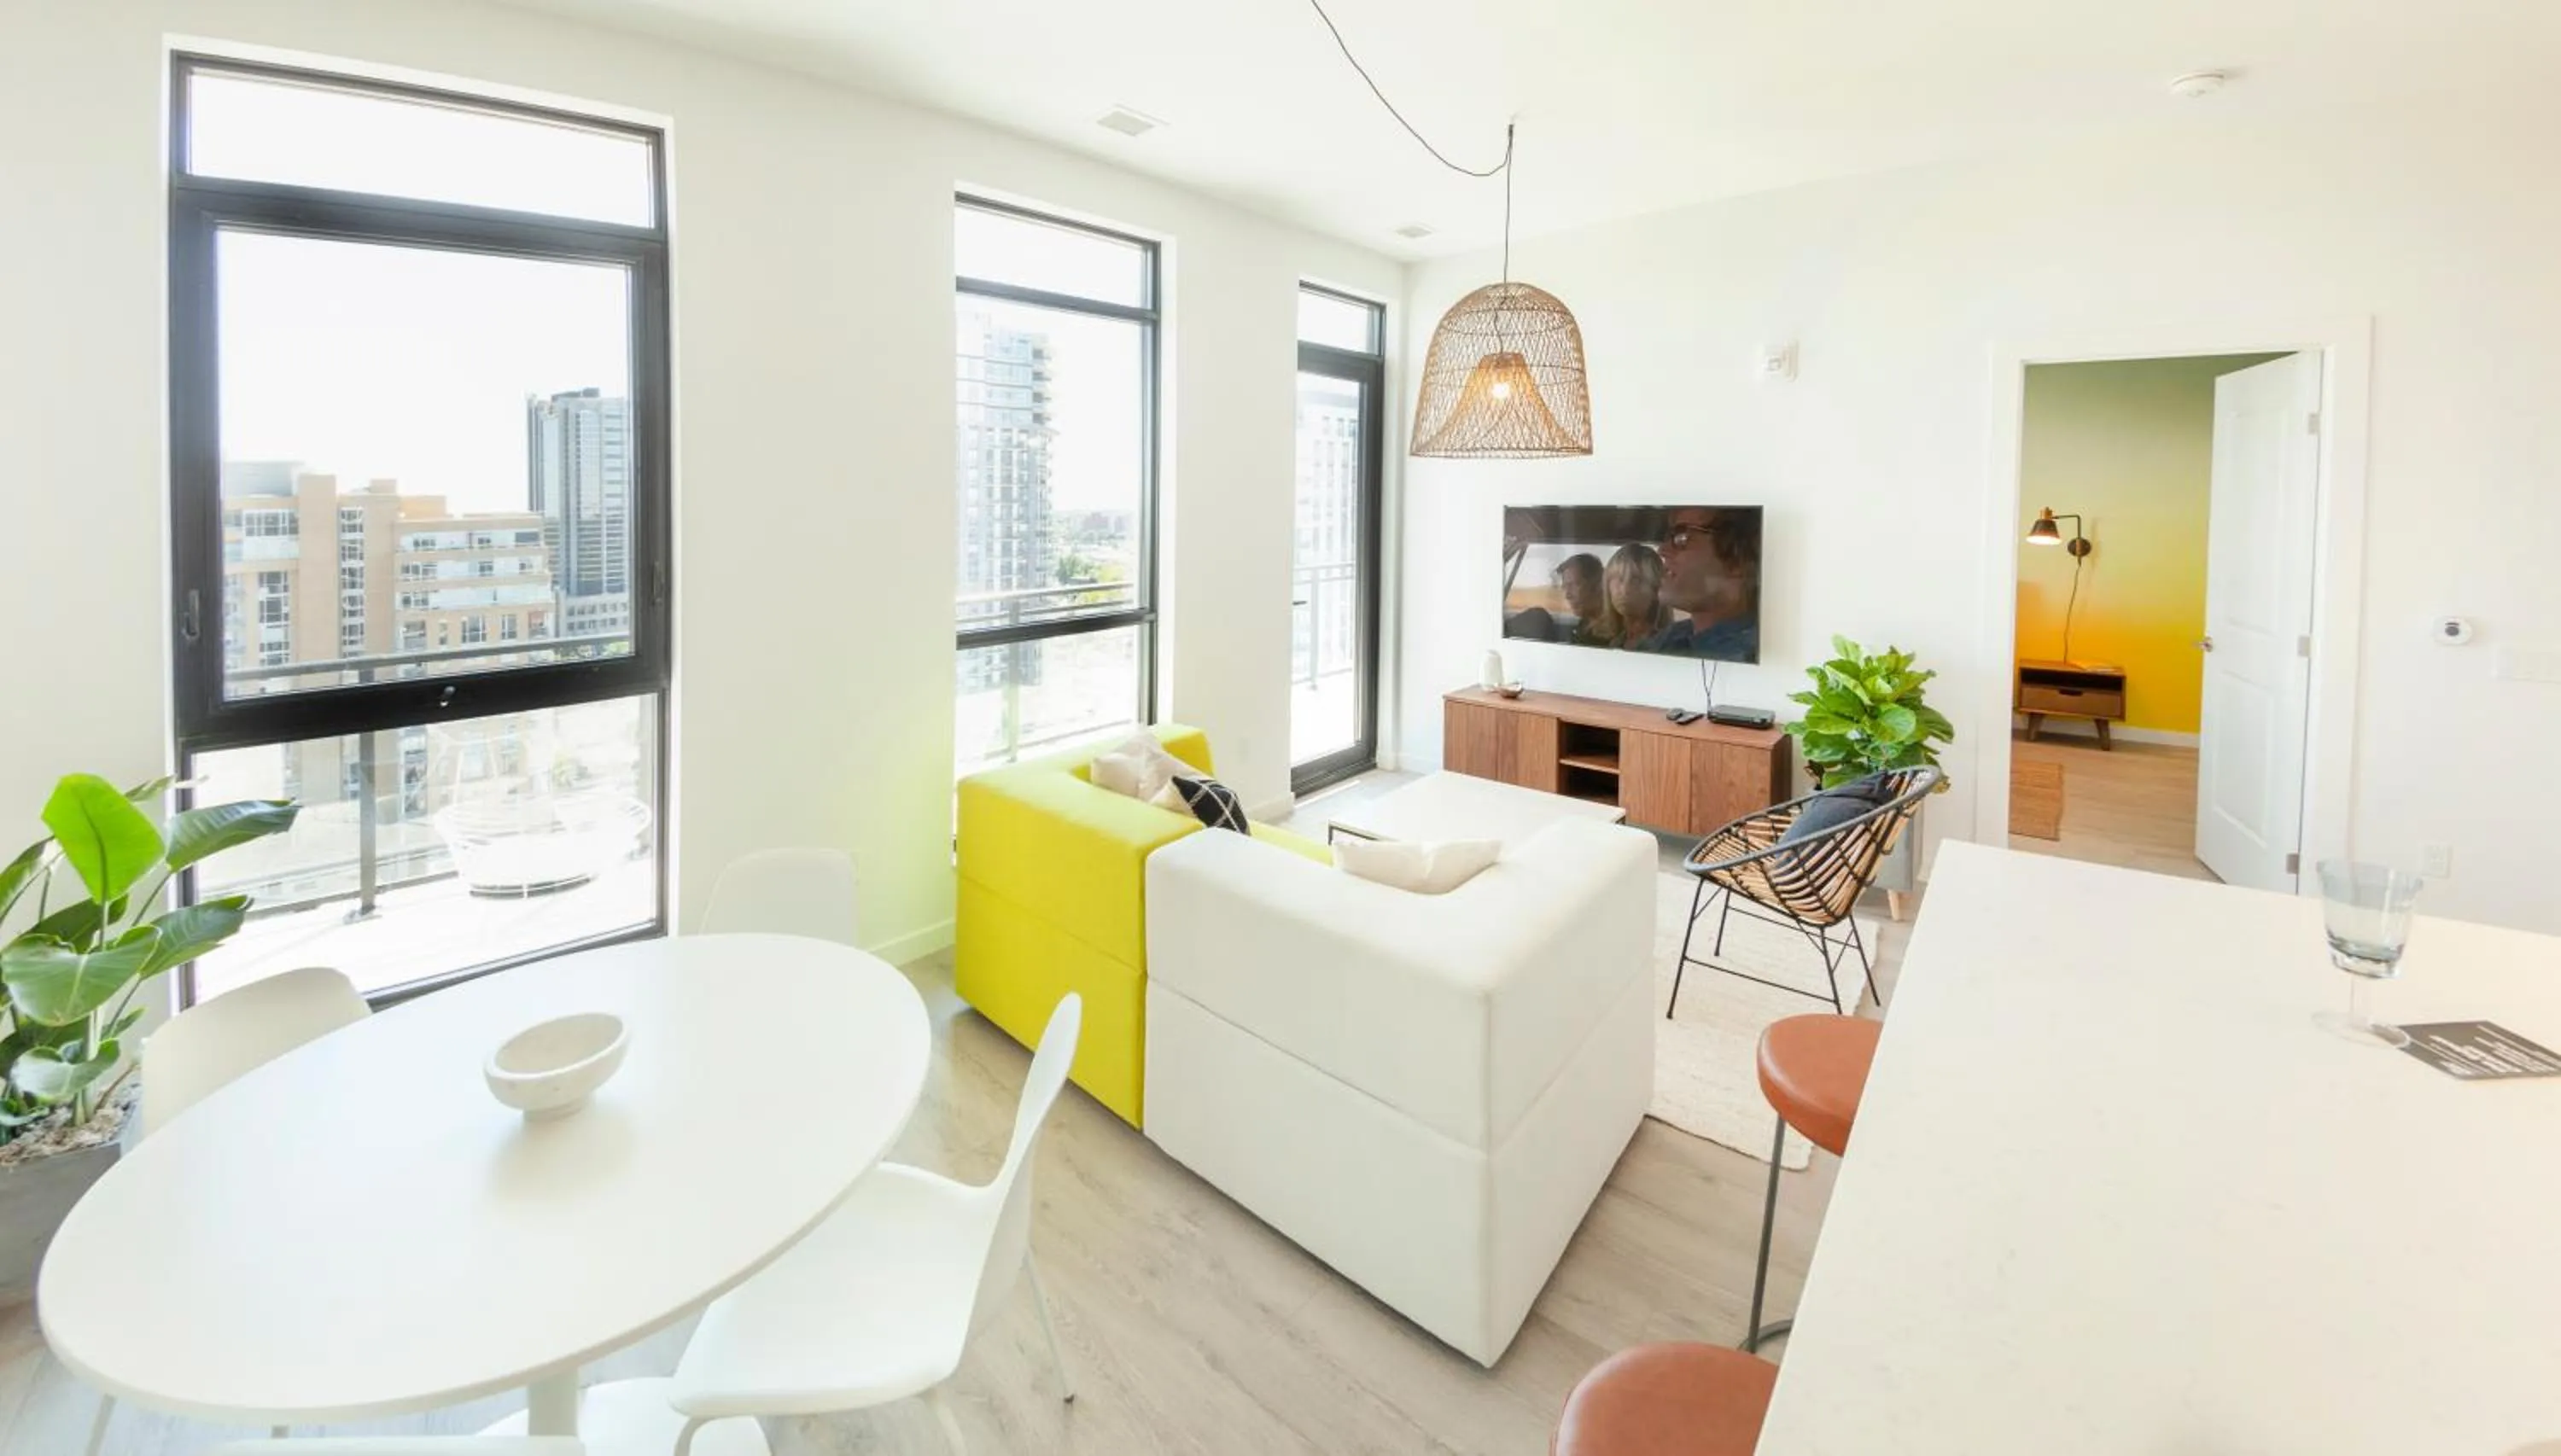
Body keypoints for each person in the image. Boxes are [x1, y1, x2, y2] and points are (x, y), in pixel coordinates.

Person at [1641, 507, 1761, 660]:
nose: (1662, 550)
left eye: (1682, 538)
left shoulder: (1749, 655)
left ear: (1736, 560)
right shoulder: (1672, 636)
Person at [1597, 543, 1673, 649]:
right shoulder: (1615, 642)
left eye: (1636, 580)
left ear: (1656, 590)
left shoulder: (1667, 646)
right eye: (1618, 579)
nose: (1624, 589)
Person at [1552, 553, 1607, 644]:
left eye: (1573, 585)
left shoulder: (1611, 633)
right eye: (1565, 587)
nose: (1567, 595)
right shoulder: (1586, 623)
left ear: (1598, 585)